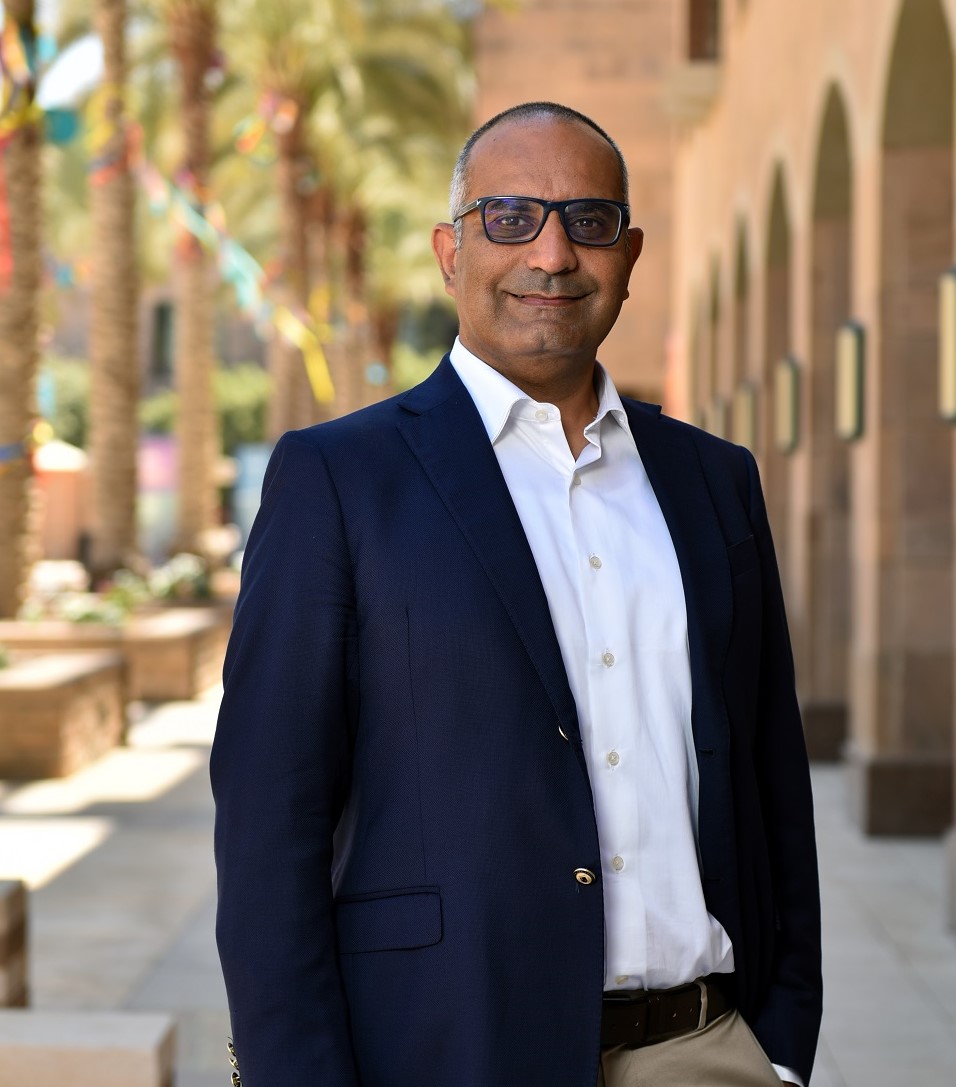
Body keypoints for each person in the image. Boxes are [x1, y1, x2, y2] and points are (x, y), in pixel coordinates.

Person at [212, 101, 821, 1087]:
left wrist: (782, 1041)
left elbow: (770, 777)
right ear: (451, 251)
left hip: (704, 1051)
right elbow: (268, 818)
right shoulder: (340, 479)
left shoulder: (715, 481)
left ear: (627, 255)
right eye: (509, 218)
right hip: (445, 1049)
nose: (551, 253)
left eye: (586, 221)